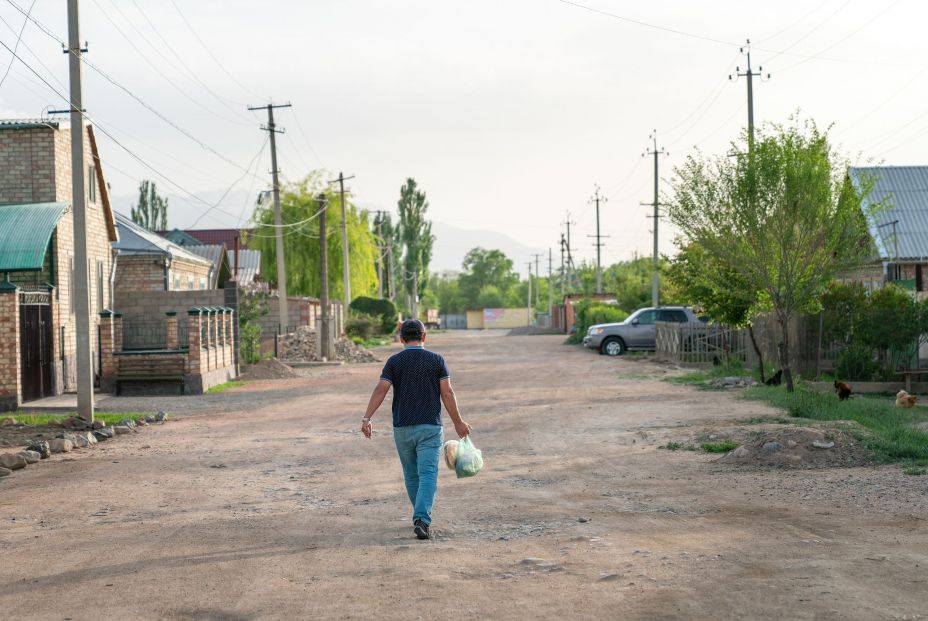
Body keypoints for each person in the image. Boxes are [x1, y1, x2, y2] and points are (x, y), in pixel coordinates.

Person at [361, 319, 471, 540]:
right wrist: (458, 422)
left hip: (402, 427)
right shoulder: (436, 360)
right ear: (424, 337)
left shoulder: (394, 362)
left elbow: (381, 389)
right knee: (428, 473)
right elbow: (447, 393)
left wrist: (367, 418)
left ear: (401, 338)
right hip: (430, 426)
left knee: (412, 476)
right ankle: (421, 518)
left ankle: (419, 516)